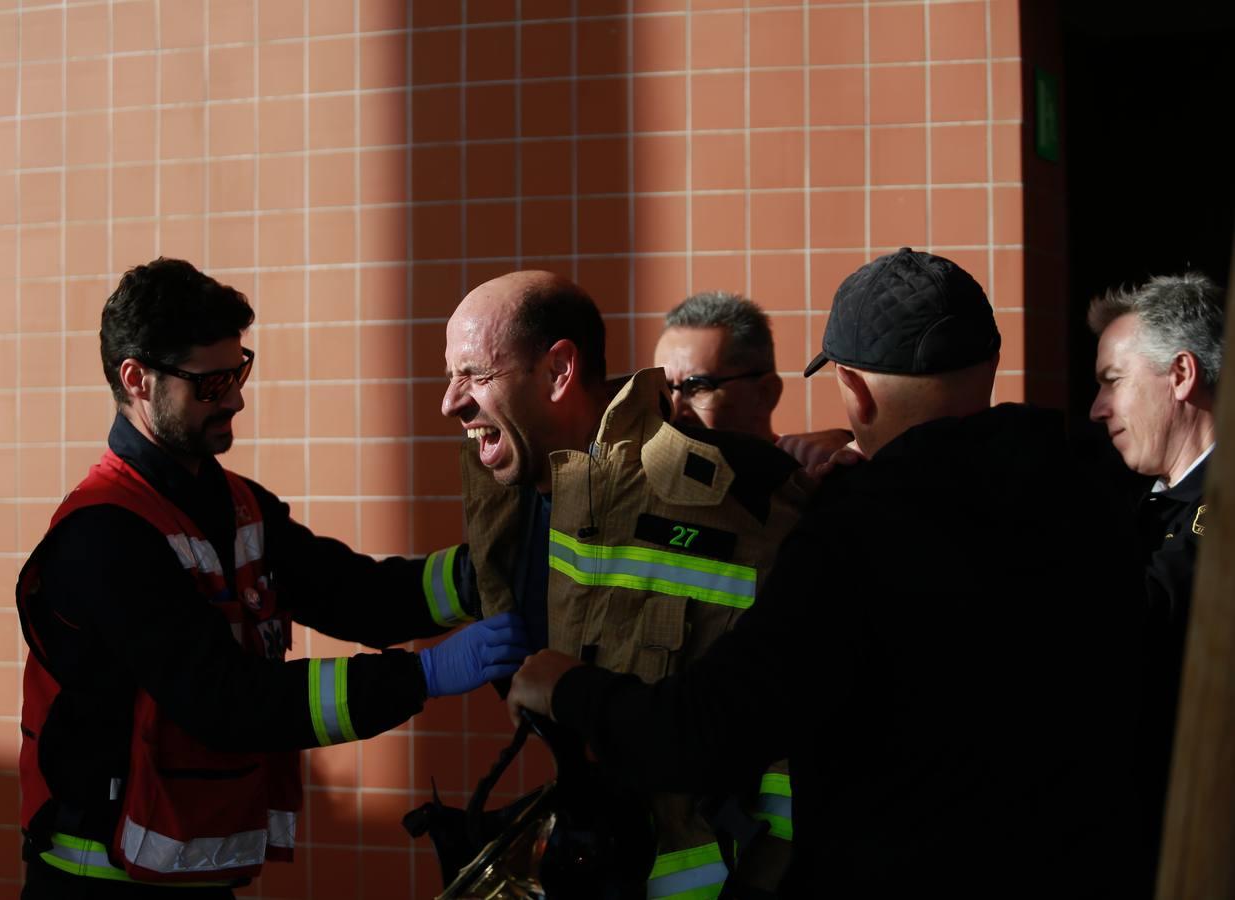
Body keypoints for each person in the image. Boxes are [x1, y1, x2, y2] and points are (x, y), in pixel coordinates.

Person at [508, 248, 1146, 898]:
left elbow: (710, 727)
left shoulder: (856, 534)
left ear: (854, 389)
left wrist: (569, 688)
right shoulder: (1095, 492)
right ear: (988, 361)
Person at [16, 258, 528, 898]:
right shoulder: (105, 535)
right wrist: (420, 676)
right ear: (136, 380)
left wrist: (488, 575)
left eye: (240, 371)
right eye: (210, 383)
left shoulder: (235, 504)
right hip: (99, 882)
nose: (235, 397)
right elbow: (226, 701)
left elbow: (352, 594)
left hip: (185, 873)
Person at [440, 271, 813, 897]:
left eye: (474, 375)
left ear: (559, 371)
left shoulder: (746, 501)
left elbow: (796, 732)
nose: (450, 402)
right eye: (449, 375)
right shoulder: (507, 501)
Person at [1087, 271, 1225, 882]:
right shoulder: (1139, 495)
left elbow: (1144, 618)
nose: (1098, 408)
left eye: (1112, 382)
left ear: (1181, 376)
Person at [656, 291, 855, 474]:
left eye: (698, 386)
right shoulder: (638, 479)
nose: (673, 408)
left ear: (765, 394)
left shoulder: (810, 472)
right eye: (662, 387)